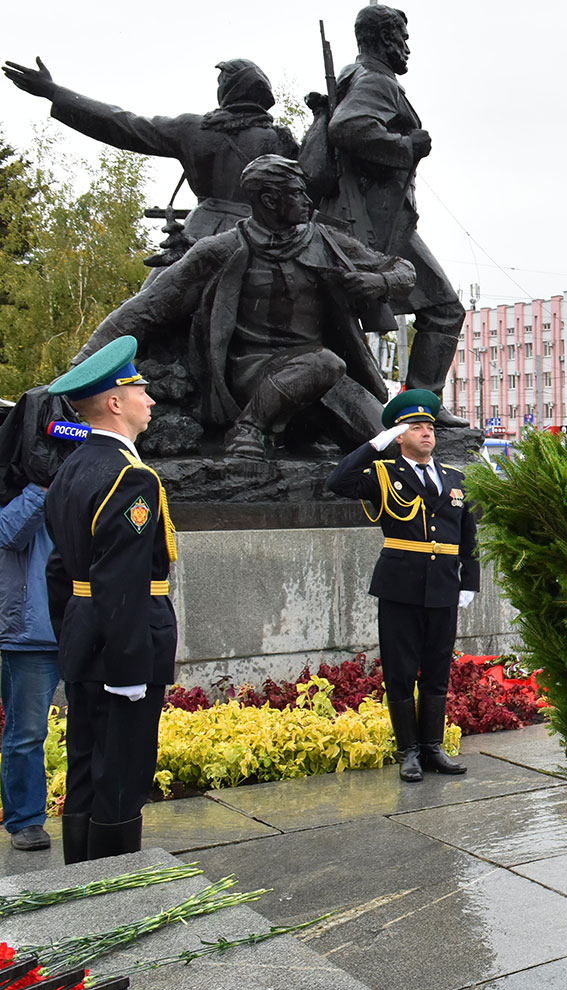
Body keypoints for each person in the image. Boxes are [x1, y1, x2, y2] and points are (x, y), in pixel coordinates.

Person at [71, 155, 411, 459]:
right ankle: (248, 428)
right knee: (324, 362)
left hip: (323, 376)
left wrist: (379, 282)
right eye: (297, 193)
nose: (308, 201)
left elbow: (403, 270)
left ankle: (298, 434)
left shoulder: (325, 240)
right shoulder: (220, 249)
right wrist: (78, 369)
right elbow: (146, 309)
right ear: (269, 200)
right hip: (251, 372)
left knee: (392, 447)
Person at [42, 337, 178, 861]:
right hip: (123, 644)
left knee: (85, 767)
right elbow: (122, 581)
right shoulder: (130, 477)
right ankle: (113, 888)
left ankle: (80, 878)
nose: (150, 398)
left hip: (85, 635)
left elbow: (61, 570)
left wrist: (74, 633)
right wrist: (127, 669)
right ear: (115, 402)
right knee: (122, 773)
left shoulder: (72, 468)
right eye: (139, 389)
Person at [319, 3, 466, 410]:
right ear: (386, 38)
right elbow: (348, 127)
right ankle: (421, 407)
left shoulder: (353, 76)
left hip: (361, 216)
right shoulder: (376, 80)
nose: (407, 47)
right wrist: (406, 146)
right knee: (445, 308)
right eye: (403, 38)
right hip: (374, 220)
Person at [327, 388, 478, 782]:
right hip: (400, 586)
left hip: (443, 586)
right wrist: (373, 446)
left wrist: (470, 581)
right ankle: (408, 751)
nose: (426, 432)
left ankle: (432, 748)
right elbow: (337, 482)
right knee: (400, 670)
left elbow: (469, 536)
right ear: (398, 436)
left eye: (430, 426)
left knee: (437, 669)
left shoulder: (455, 478)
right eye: (416, 427)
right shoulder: (383, 475)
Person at [2, 56, 295, 257]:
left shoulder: (195, 129)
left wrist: (54, 92)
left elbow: (122, 123)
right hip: (266, 241)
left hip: (201, 236)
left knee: (146, 311)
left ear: (230, 89)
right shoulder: (281, 140)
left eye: (222, 82)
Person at [0, 390, 72, 853]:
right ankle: (25, 821)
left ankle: (82, 810)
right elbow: (8, 533)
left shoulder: (78, 477)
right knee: (26, 734)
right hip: (28, 634)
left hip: (75, 626)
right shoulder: (16, 485)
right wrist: (42, 487)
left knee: (84, 727)